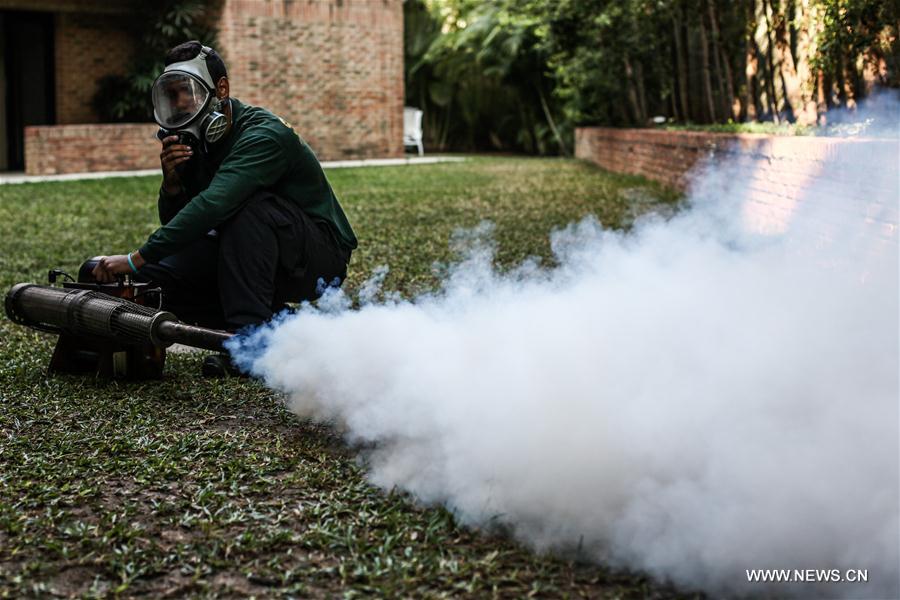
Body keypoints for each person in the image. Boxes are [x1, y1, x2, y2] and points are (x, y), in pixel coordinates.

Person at [90, 41, 357, 375]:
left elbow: (214, 206)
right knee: (153, 283)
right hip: (247, 255)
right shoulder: (193, 142)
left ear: (221, 88)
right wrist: (171, 186)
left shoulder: (264, 135)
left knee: (250, 207)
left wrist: (134, 258)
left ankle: (251, 344)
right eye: (168, 95)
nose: (176, 105)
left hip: (318, 258)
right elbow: (188, 232)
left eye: (183, 92)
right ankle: (277, 323)